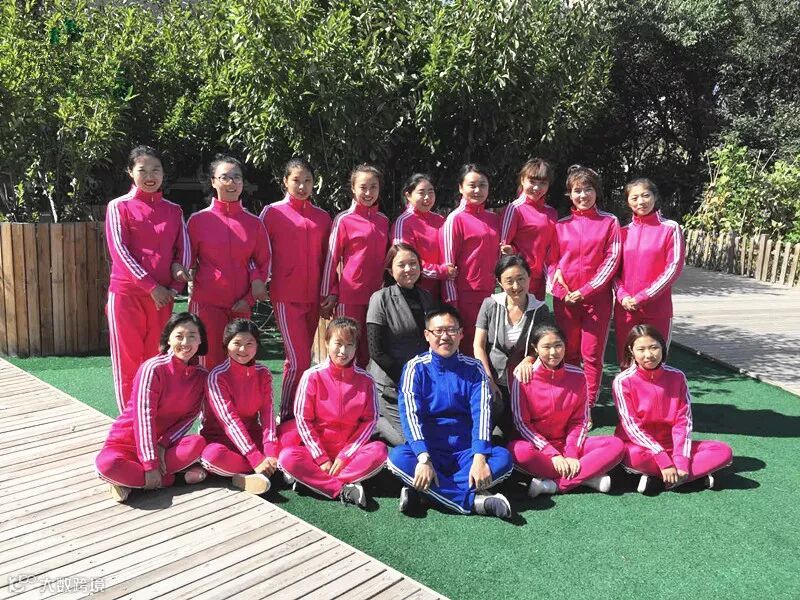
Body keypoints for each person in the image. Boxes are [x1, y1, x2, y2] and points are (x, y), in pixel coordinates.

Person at [387, 305, 514, 519]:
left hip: (466, 453)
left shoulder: (474, 368)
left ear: (461, 333)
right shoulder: (414, 368)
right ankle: (474, 502)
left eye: (451, 330)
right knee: (397, 457)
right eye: (438, 331)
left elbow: (482, 414)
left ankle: (426, 493)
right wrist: (423, 459)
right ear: (427, 335)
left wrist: (479, 457)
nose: (445, 337)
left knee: (504, 458)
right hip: (430, 451)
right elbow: (410, 416)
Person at [105, 145, 190, 412]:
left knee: (157, 358)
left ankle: (153, 416)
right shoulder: (119, 206)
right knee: (128, 361)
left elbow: (183, 250)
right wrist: (151, 286)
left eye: (156, 170)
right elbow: (119, 250)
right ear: (130, 172)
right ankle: (130, 423)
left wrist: (174, 287)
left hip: (162, 298)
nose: (150, 176)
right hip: (127, 296)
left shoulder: (174, 210)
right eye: (143, 170)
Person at [95, 312, 209, 503]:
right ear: (168, 339)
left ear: (200, 341)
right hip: (127, 444)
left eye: (192, 336)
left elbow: (190, 417)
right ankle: (171, 479)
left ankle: (130, 483)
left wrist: (162, 444)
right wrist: (150, 464)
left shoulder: (201, 376)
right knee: (106, 465)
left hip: (163, 448)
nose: (185, 342)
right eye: (179, 336)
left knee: (197, 443)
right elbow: (143, 417)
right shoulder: (153, 368)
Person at [278, 317, 388, 508]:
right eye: (338, 343)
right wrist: (321, 458)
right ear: (327, 342)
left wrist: (345, 455)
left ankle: (312, 482)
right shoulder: (312, 376)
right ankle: (342, 489)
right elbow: (303, 420)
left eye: (350, 345)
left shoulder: (366, 380)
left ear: (356, 347)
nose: (343, 351)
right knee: (288, 457)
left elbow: (370, 421)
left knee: (380, 451)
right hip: (316, 452)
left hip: (350, 454)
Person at [508, 323, 624, 498]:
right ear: (535, 348)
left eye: (558, 345)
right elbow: (522, 424)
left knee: (615, 445)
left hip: (569, 445)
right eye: (546, 347)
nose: (553, 352)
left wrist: (571, 455)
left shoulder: (578, 375)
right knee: (517, 451)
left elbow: (580, 421)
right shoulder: (523, 377)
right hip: (538, 448)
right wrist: (552, 454)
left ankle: (554, 485)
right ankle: (587, 478)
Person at [613, 324, 733, 493]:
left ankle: (660, 481)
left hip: (673, 445)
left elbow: (683, 421)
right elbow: (632, 427)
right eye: (641, 349)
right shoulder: (623, 381)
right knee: (627, 454)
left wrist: (681, 460)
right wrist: (662, 458)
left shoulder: (677, 376)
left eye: (654, 347)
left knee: (722, 451)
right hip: (641, 447)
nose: (649, 355)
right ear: (631, 351)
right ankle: (692, 479)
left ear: (662, 347)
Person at [260, 158, 332, 421]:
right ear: (285, 182)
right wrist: (260, 280)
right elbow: (259, 251)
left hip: (314, 297)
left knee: (303, 359)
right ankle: (287, 414)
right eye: (296, 180)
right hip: (285, 296)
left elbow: (329, 259)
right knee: (299, 359)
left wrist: (328, 292)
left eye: (307, 181)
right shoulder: (272, 213)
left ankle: (302, 411)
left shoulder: (323, 217)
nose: (302, 186)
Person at [187, 155, 271, 369]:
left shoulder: (254, 223)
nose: (232, 183)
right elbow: (187, 260)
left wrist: (249, 300)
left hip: (241, 304)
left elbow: (264, 263)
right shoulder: (198, 221)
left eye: (237, 177)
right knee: (208, 361)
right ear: (213, 181)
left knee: (240, 362)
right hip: (207, 303)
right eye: (225, 177)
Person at [549, 165, 620, 416]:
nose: (583, 195)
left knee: (591, 355)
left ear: (596, 192)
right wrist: (560, 291)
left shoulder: (609, 222)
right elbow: (551, 262)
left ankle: (586, 408)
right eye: (577, 190)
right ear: (569, 194)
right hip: (566, 300)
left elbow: (612, 259)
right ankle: (570, 404)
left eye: (588, 189)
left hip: (596, 301)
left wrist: (587, 290)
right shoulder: (560, 225)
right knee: (567, 352)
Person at [367, 243, 437, 446]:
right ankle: (374, 422)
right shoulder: (380, 299)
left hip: (421, 385)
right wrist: (406, 379)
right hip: (391, 386)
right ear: (390, 270)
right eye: (401, 265)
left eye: (413, 263)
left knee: (433, 434)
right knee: (409, 441)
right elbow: (376, 350)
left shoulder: (427, 297)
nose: (408, 269)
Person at [473, 255, 551, 437]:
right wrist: (488, 379)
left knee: (517, 434)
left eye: (521, 279)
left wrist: (529, 359)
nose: (516, 286)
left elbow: (545, 345)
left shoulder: (540, 309)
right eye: (509, 281)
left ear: (529, 278)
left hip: (524, 383)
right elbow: (478, 345)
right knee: (488, 430)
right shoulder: (490, 304)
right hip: (494, 380)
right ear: (499, 282)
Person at [320, 164, 389, 368]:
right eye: (363, 187)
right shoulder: (344, 220)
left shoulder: (383, 220)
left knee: (370, 349)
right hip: (349, 296)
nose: (368, 193)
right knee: (345, 347)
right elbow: (331, 260)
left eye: (373, 187)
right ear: (353, 188)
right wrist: (328, 293)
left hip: (376, 297)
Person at [199, 319, 278, 495]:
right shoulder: (217, 377)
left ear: (257, 345)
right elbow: (230, 422)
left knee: (288, 437)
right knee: (211, 457)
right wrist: (255, 458)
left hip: (253, 436)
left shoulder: (263, 373)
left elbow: (268, 414)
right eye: (236, 343)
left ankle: (251, 473)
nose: (243, 349)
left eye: (249, 343)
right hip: (222, 440)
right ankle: (263, 470)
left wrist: (271, 451)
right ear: (226, 345)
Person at [613, 178, 685, 364]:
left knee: (655, 360)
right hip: (626, 308)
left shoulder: (670, 228)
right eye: (634, 198)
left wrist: (643, 297)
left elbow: (673, 268)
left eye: (645, 196)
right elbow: (614, 270)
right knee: (627, 360)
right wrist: (622, 296)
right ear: (628, 201)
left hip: (657, 308)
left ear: (655, 197)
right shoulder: (622, 232)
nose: (641, 202)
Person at [441, 164, 500, 355]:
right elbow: (448, 266)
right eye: (472, 185)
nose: (477, 190)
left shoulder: (493, 218)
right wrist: (452, 303)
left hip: (491, 293)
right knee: (468, 347)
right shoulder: (455, 219)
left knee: (489, 344)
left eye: (482, 185)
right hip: (465, 294)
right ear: (461, 187)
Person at [499, 158, 559, 301]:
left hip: (541, 278)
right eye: (532, 182)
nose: (537, 188)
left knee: (537, 314)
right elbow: (503, 247)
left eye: (543, 183)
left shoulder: (551, 212)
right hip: (519, 278)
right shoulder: (514, 208)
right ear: (522, 180)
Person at [391, 174, 455, 299]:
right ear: (408, 195)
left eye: (431, 192)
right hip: (414, 292)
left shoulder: (440, 220)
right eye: (421, 193)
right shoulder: (403, 222)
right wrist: (442, 271)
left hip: (441, 292)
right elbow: (404, 261)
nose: (427, 198)